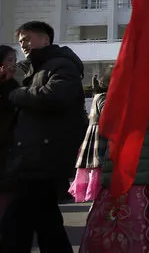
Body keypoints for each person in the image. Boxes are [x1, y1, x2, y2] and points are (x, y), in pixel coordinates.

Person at [0, 21, 87, 253]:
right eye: (20, 42)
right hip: (32, 157)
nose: (23, 45)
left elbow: (53, 97)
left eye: (28, 38)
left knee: (17, 222)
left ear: (46, 39)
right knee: (44, 223)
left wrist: (15, 92)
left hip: (42, 158)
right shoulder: (35, 69)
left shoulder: (61, 66)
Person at [79, 71, 149, 252]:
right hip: (147, 165)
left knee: (117, 220)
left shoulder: (122, 77)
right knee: (148, 222)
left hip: (121, 159)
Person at [68, 67, 111, 203]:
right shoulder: (103, 97)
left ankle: (94, 195)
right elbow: (107, 115)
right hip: (100, 136)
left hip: (93, 136)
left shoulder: (96, 97)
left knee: (94, 166)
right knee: (98, 165)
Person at [0, 46, 18, 218]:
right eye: (10, 60)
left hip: (8, 146)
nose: (13, 64)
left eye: (14, 60)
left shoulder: (13, 85)